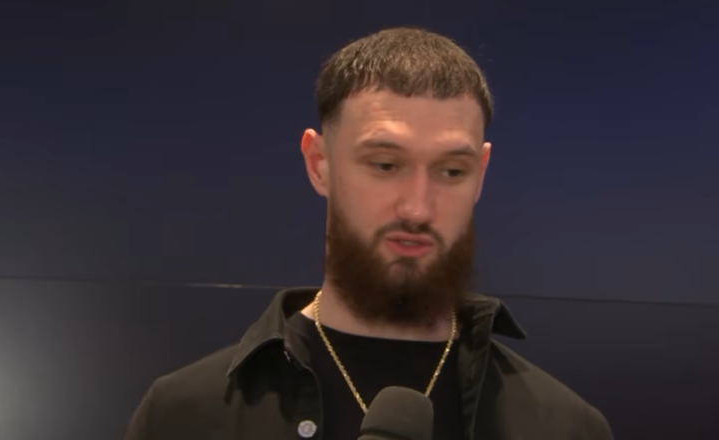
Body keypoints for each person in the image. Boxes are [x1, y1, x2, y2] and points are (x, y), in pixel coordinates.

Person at [122, 27, 613, 440]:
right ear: (319, 163)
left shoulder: (563, 426)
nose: (417, 207)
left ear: (481, 175)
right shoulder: (187, 414)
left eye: (451, 171)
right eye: (385, 164)